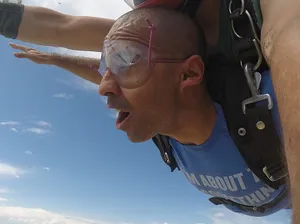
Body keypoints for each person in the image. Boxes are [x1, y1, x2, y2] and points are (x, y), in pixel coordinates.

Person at [8, 7, 291, 218]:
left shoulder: (274, 111)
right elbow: (114, 73)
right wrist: (54, 58)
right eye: (107, 69)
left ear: (189, 73)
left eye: (128, 63)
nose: (103, 87)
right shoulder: (161, 112)